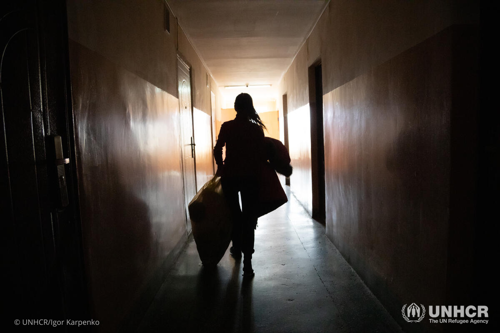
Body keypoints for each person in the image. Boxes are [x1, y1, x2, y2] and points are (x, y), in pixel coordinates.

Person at [213, 93, 267, 277]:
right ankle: (248, 264)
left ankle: (236, 247)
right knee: (249, 219)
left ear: (236, 107)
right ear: (250, 107)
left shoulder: (227, 127)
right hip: (251, 179)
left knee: (235, 216)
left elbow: (217, 149)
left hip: (230, 178)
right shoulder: (256, 130)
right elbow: (261, 156)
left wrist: (221, 167)